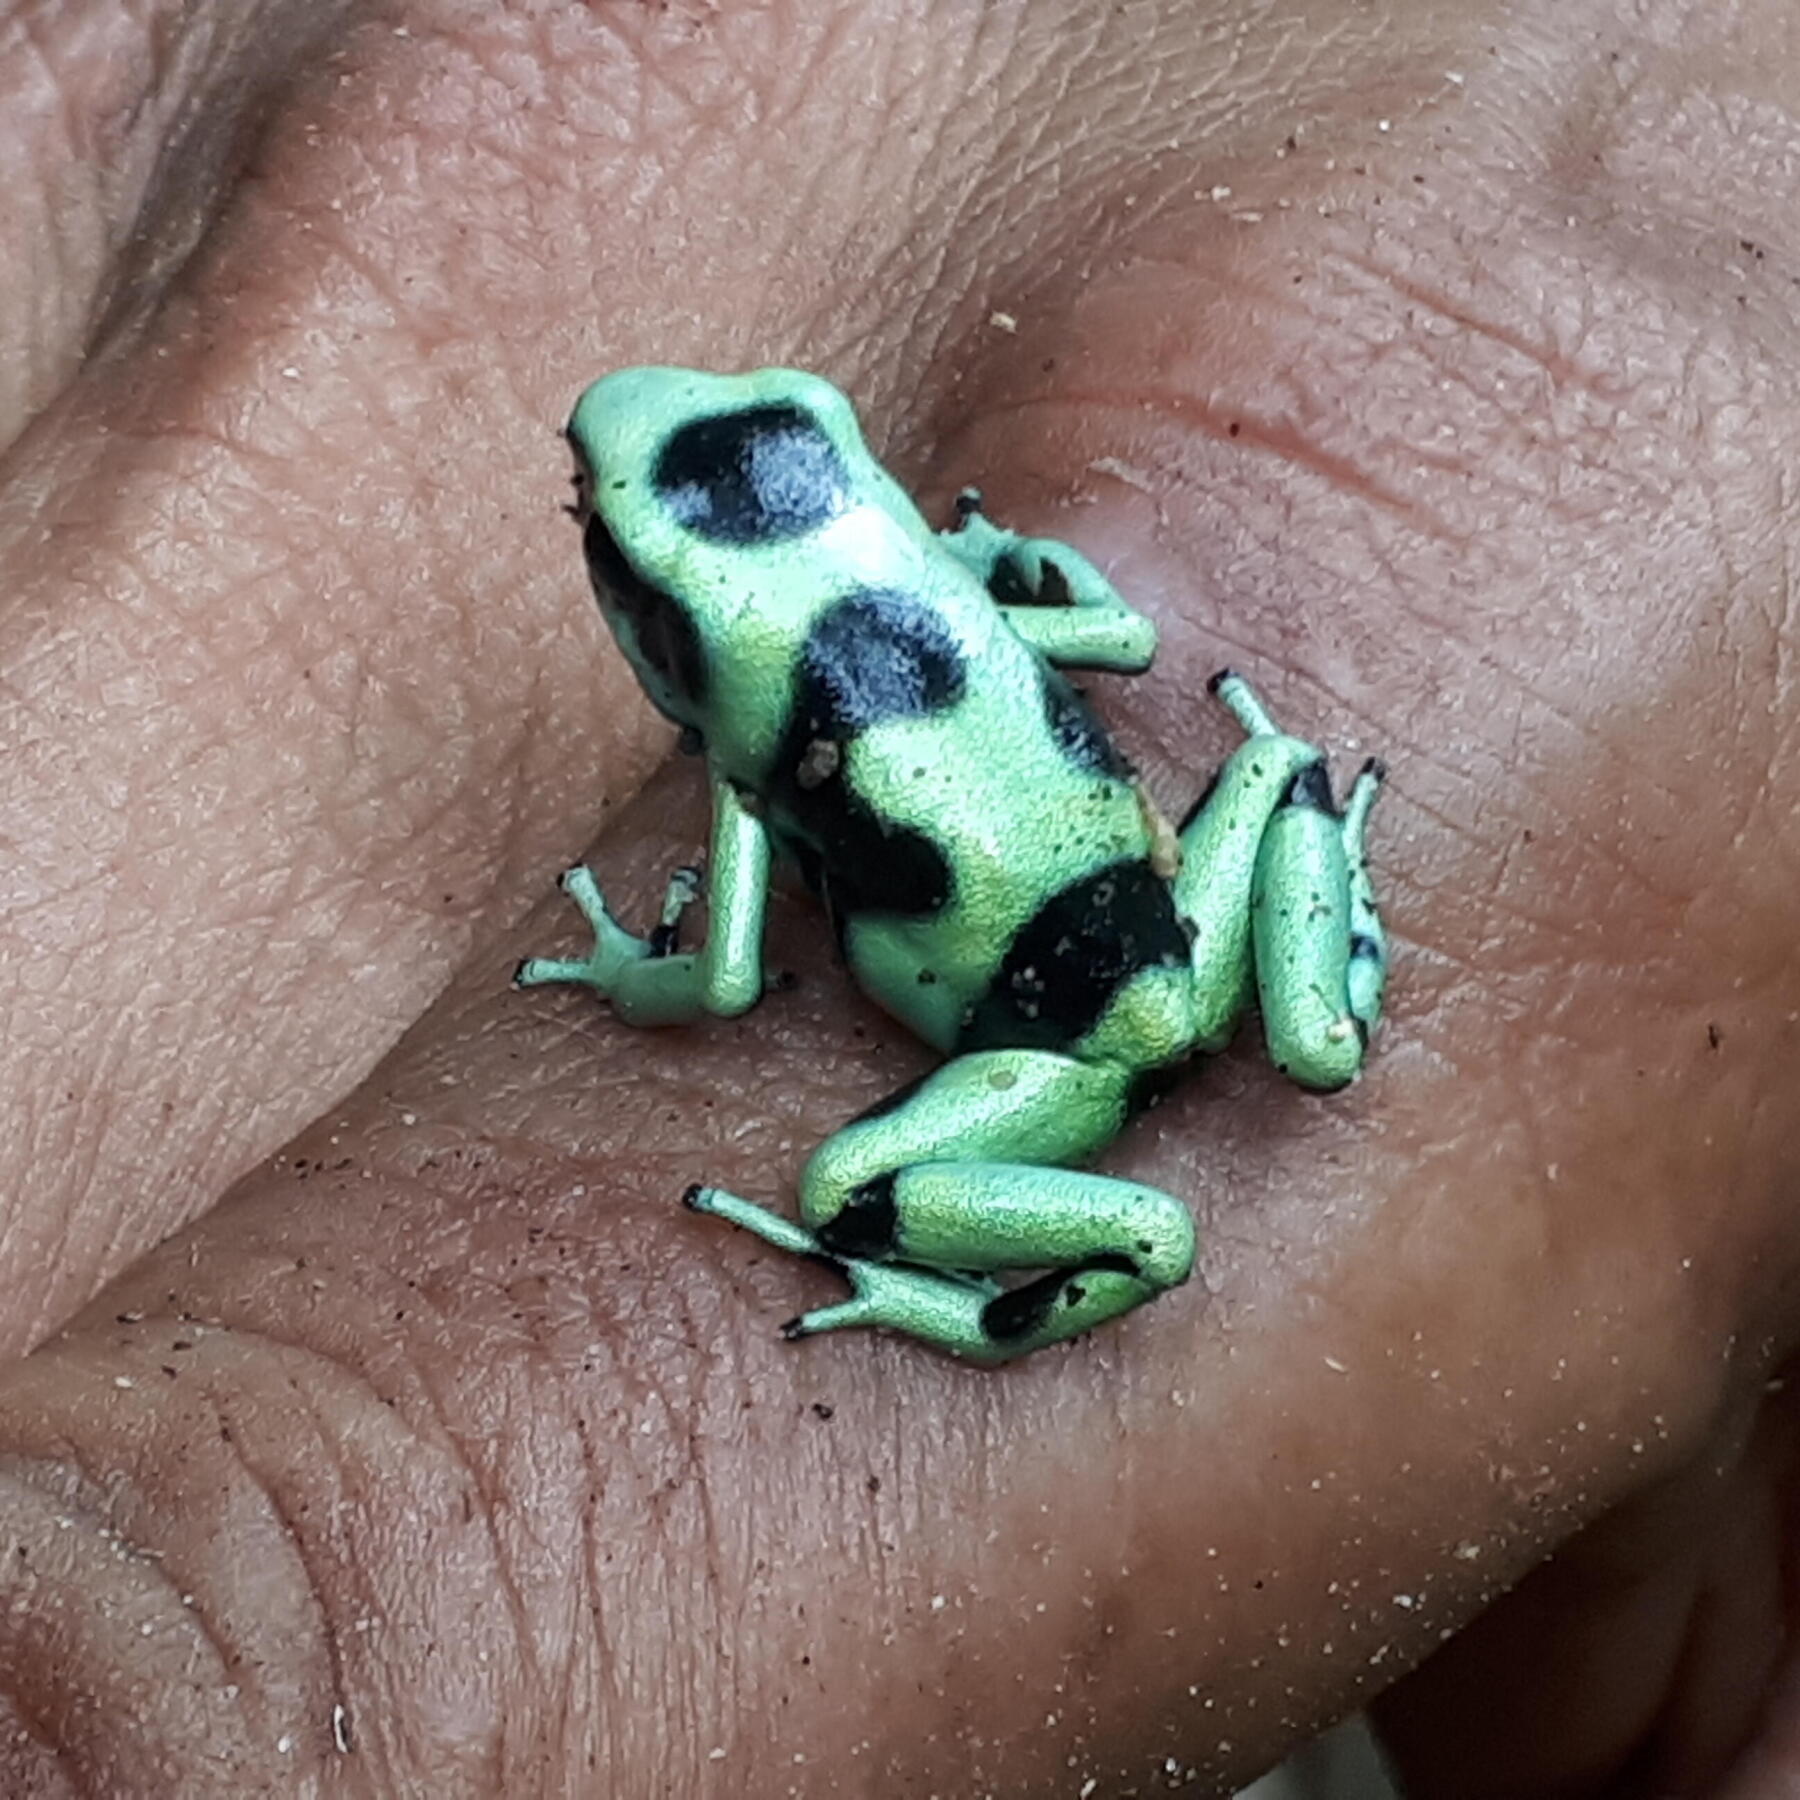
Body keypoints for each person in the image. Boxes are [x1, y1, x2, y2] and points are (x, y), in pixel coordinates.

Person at [0, 1, 1792, 1792]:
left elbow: (717, 982)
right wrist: (1003, 565)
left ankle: (957, 1297)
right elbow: (1119, 630)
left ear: (688, 639)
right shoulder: (942, 584)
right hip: (1173, 921)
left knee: (857, 1182)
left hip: (1059, 1057)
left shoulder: (751, 767)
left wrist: (625, 962)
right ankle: (1316, 931)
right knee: (1271, 796)